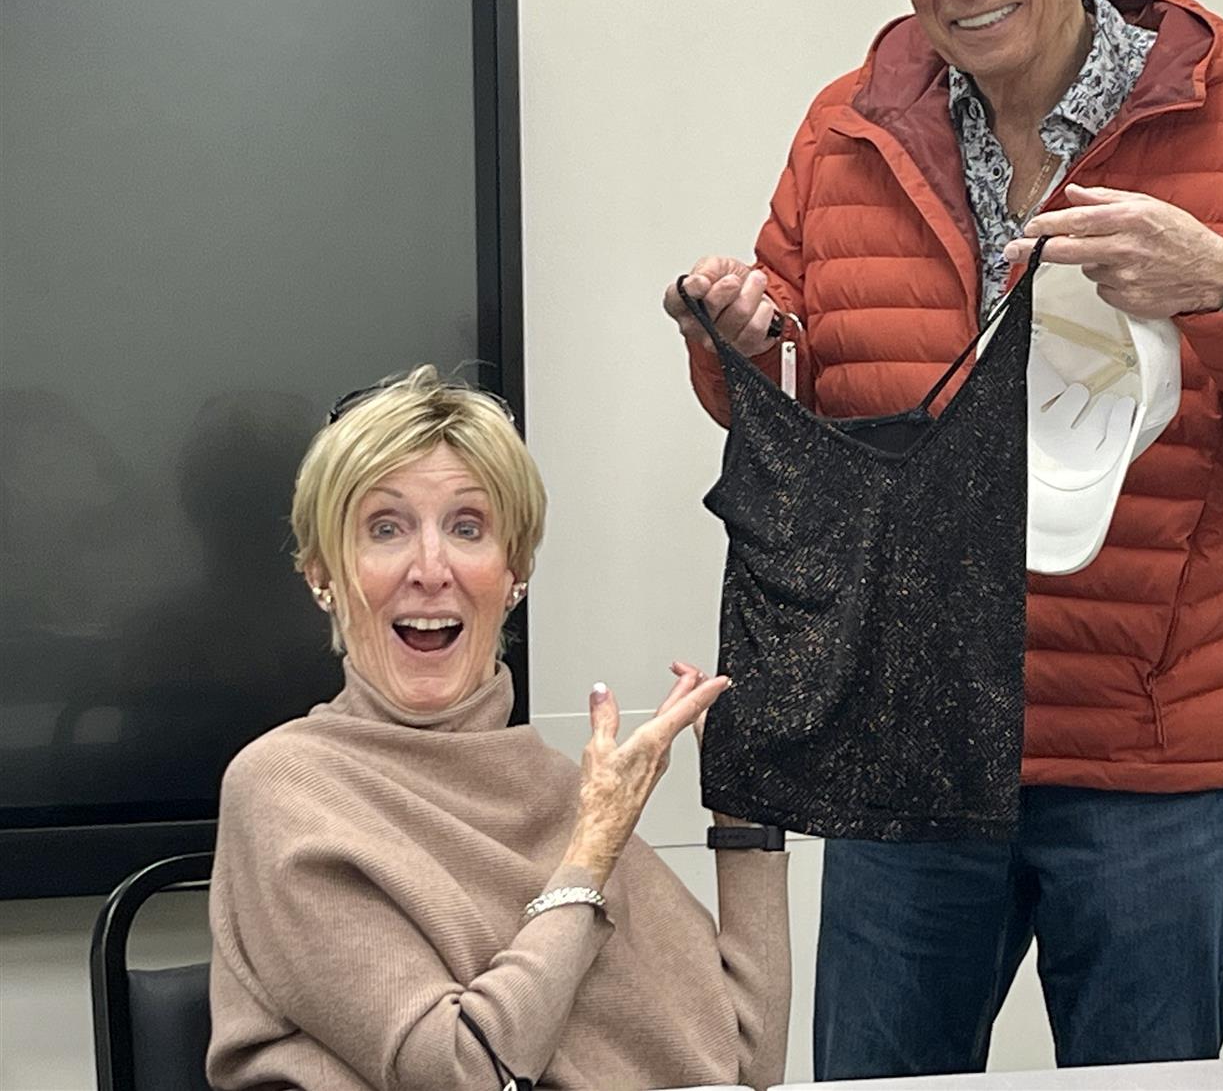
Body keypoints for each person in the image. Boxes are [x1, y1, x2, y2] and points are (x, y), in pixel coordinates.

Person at [664, 0, 1223, 1075]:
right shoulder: (845, 129)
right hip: (911, 736)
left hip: (1149, 756)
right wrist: (737, 343)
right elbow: (798, 406)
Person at [206, 368, 791, 1091]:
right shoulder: (286, 787)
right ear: (322, 573)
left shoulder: (566, 789)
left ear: (515, 572)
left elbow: (746, 1067)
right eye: (386, 528)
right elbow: (466, 1073)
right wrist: (589, 858)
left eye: (467, 527)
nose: (431, 569)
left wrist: (745, 818)